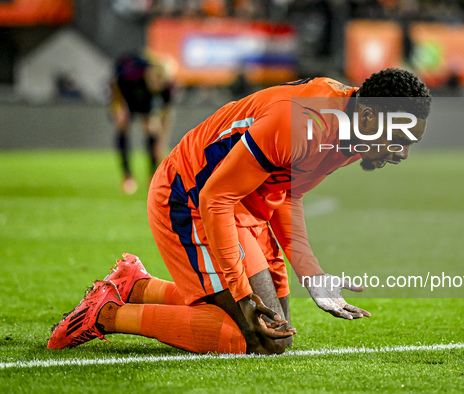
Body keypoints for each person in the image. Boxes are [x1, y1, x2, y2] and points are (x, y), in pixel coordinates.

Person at [48, 68, 431, 354]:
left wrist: (310, 273)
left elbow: (287, 193)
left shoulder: (350, 133)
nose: (403, 153)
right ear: (369, 117)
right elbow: (215, 198)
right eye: (399, 138)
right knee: (249, 338)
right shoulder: (302, 122)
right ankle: (105, 314)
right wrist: (243, 293)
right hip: (191, 196)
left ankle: (137, 286)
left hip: (243, 204)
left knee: (274, 333)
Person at [110, 54, 175, 194]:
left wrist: (162, 142)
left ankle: (152, 175)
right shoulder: (132, 74)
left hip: (144, 100)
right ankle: (127, 176)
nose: (156, 85)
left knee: (152, 128)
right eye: (154, 80)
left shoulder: (166, 87)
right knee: (122, 125)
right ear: (149, 73)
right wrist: (118, 106)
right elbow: (115, 82)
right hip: (125, 96)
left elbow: (166, 114)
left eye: (160, 82)